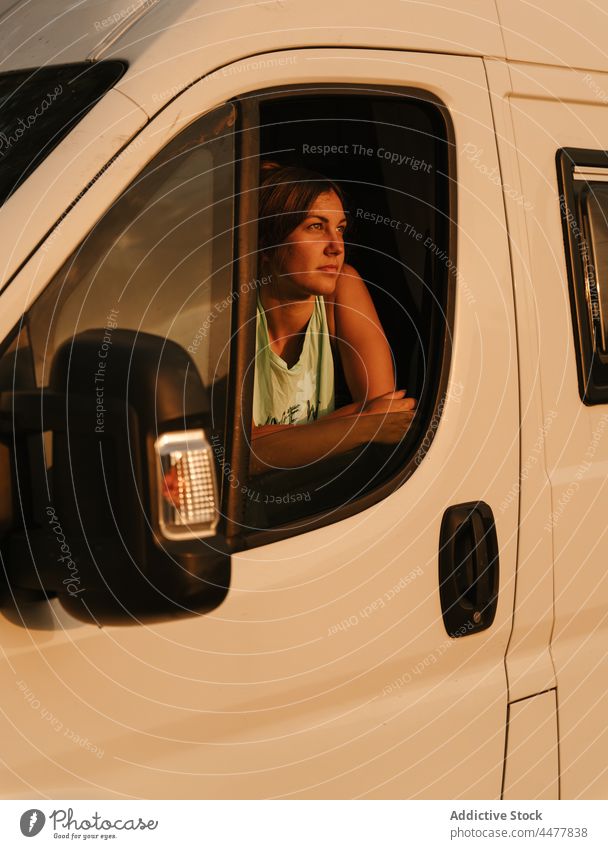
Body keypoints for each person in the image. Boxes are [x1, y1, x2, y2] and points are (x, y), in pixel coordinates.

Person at [250, 162, 416, 473]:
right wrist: (360, 424)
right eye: (315, 226)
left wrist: (270, 440)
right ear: (266, 241)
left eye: (339, 228)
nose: (336, 247)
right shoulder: (231, 311)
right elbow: (239, 455)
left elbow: (390, 416)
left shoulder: (342, 286)